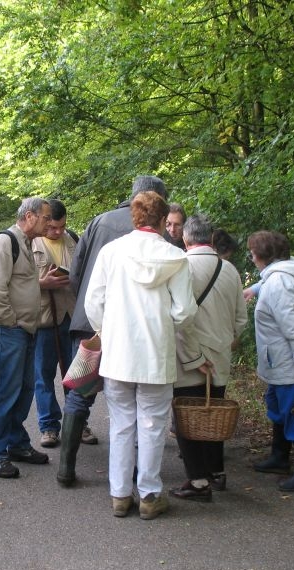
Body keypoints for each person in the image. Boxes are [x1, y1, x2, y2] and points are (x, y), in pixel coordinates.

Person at [85, 191, 196, 520]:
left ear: (135, 218)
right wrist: (163, 325)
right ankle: (149, 495)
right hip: (155, 355)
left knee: (121, 425)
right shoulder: (176, 258)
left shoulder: (111, 252)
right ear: (162, 220)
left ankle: (120, 495)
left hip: (118, 354)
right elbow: (185, 310)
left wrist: (107, 330)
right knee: (152, 425)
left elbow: (93, 302)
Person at [58, 175, 169, 488]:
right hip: (135, 328)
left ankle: (66, 467)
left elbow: (76, 272)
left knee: (80, 391)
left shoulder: (99, 222)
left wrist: (86, 307)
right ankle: (133, 474)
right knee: (133, 401)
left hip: (89, 323)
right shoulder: (157, 233)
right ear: (158, 201)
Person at [171, 215, 248, 502]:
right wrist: (225, 343)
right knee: (214, 414)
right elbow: (241, 319)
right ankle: (216, 471)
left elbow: (179, 319)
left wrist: (193, 357)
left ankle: (198, 481)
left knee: (187, 419)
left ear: (185, 238)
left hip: (188, 356)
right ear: (211, 238)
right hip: (220, 355)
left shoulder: (181, 266)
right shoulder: (229, 270)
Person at [0, 197, 52, 478]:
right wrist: (11, 321)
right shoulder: (5, 242)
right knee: (4, 390)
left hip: (24, 330)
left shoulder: (27, 243)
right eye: (46, 217)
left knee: (24, 389)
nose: (49, 222)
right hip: (8, 330)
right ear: (30, 216)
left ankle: (16, 443)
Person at [248, 230, 294, 491]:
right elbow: (270, 286)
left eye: (252, 253)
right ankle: (279, 457)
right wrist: (253, 289)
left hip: (290, 364)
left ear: (261, 255)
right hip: (279, 361)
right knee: (278, 407)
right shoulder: (278, 277)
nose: (251, 257)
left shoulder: (279, 283)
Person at [32, 199, 77, 448]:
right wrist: (42, 283)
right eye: (53, 227)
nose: (58, 232)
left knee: (76, 375)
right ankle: (49, 426)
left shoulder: (73, 239)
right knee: (43, 374)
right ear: (45, 221)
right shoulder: (30, 242)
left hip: (71, 315)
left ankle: (77, 422)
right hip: (44, 317)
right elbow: (18, 281)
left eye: (62, 227)